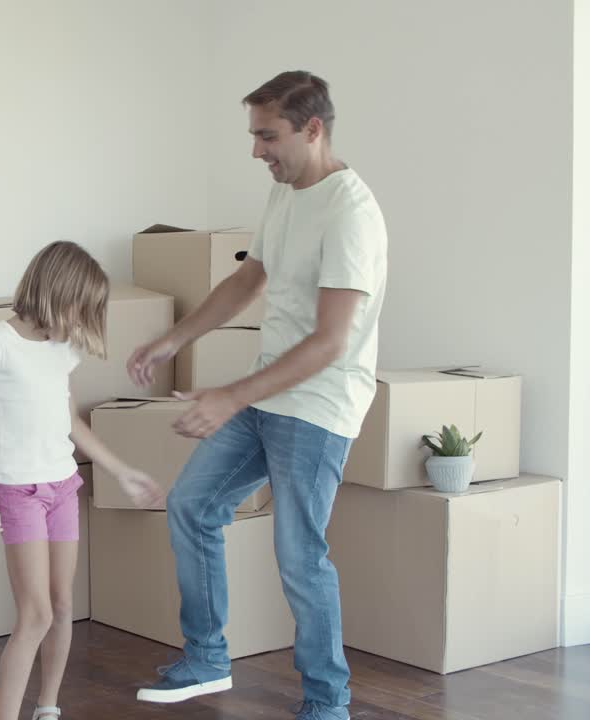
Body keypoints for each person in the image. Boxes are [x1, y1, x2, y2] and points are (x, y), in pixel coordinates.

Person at [127, 71, 387, 720]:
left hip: (320, 406)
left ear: (314, 128)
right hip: (269, 397)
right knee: (193, 504)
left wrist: (229, 396)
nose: (256, 150)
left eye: (268, 136)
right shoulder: (287, 192)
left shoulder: (351, 213)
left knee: (301, 556)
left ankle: (329, 704)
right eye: (254, 135)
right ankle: (208, 656)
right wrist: (171, 340)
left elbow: (331, 342)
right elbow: (248, 281)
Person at [0, 240, 163, 720]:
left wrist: (122, 471)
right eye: (81, 307)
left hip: (63, 488)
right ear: (57, 292)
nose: (82, 320)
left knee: (62, 605)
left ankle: (48, 708)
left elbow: (69, 422)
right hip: (19, 493)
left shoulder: (64, 349)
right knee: (35, 615)